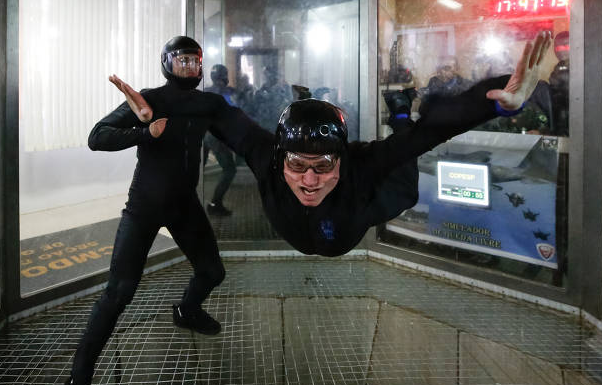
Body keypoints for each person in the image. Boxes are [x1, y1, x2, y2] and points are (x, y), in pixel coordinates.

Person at [112, 31, 552, 257]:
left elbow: (430, 132)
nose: (308, 180)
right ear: (280, 157)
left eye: (322, 166)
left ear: (343, 160)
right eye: (298, 165)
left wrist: (497, 104)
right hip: (316, 221)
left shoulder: (361, 165)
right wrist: (165, 102)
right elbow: (223, 116)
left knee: (403, 148)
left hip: (362, 210)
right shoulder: (267, 157)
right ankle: (396, 109)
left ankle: (397, 108)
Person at [60, 36, 227, 385]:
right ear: (167, 63)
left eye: (195, 61)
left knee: (212, 271)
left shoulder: (205, 104)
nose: (189, 67)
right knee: (119, 292)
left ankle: (186, 310)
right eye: (181, 60)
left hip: (184, 204)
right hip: (145, 206)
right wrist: (144, 131)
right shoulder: (148, 99)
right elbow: (97, 136)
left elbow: (235, 131)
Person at [203, 64, 237, 216]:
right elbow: (233, 111)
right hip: (216, 137)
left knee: (196, 172)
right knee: (229, 170)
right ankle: (215, 203)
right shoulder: (227, 92)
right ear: (224, 76)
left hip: (203, 135)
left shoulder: (206, 92)